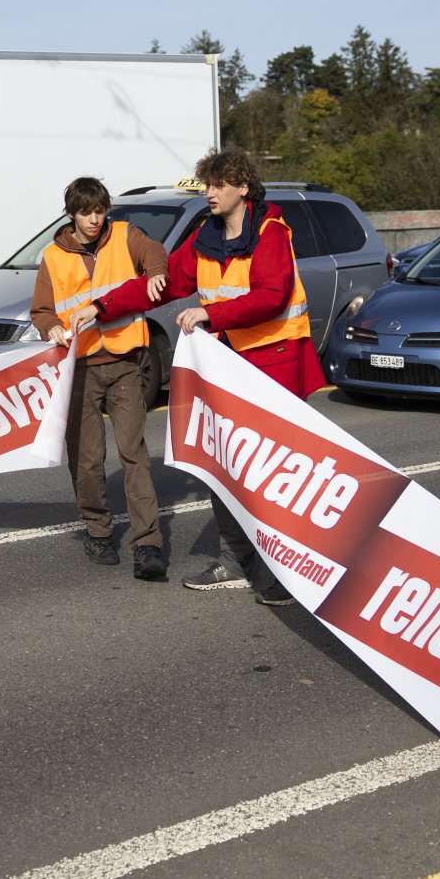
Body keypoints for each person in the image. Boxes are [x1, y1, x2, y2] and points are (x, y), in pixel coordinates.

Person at [72, 147, 326, 605]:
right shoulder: (208, 234)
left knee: (266, 477)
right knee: (220, 467)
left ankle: (279, 572)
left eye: (219, 185)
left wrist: (211, 313)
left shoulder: (270, 232)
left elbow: (272, 295)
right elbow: (164, 283)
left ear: (243, 188)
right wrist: (101, 306)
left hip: (275, 365)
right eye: (207, 184)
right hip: (227, 366)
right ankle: (235, 561)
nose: (210, 193)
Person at [31, 177, 169, 580]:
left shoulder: (125, 236)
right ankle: (97, 529)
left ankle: (148, 543)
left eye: (100, 210)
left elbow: (154, 252)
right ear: (71, 214)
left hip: (126, 363)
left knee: (134, 454)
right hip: (82, 371)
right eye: (86, 212)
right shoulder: (52, 256)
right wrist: (50, 328)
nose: (95, 219)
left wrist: (156, 269)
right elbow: (41, 311)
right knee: (88, 460)